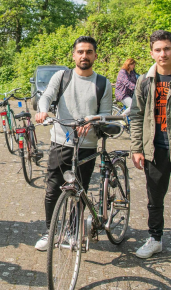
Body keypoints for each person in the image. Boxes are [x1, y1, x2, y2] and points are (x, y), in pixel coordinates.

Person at [34, 36, 113, 251]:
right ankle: (50, 232)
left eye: (88, 52)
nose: (84, 56)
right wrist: (42, 109)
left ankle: (72, 231)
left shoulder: (103, 83)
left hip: (87, 144)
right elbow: (46, 96)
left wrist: (93, 120)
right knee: (53, 190)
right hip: (61, 141)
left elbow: (105, 114)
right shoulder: (62, 77)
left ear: (95, 55)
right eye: (80, 52)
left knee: (79, 191)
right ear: (74, 55)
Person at [131, 30, 171, 259]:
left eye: (166, 48)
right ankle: (155, 239)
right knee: (154, 200)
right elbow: (136, 115)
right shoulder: (144, 80)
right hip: (156, 150)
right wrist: (137, 148)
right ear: (151, 53)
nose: (162, 53)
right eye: (158, 50)